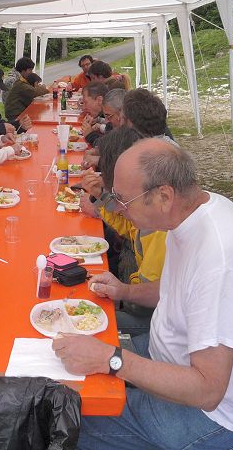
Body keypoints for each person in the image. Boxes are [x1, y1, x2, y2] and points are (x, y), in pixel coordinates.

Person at [53, 139, 233, 449]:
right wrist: (125, 291)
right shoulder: (192, 214)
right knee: (64, 368)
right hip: (169, 357)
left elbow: (207, 390)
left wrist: (111, 359)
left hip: (216, 416)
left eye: (122, 199)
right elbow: (178, 290)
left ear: (164, 196)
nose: (116, 208)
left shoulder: (220, 261)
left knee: (66, 422)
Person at [80, 127, 166, 336]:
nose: (117, 207)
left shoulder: (158, 227)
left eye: (118, 196)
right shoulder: (145, 206)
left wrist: (122, 294)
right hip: (140, 301)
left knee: (87, 323)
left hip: (154, 320)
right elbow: (127, 226)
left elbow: (142, 305)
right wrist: (99, 196)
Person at [3, 57, 49, 121]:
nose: (31, 72)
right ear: (23, 70)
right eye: (30, 70)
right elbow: (35, 92)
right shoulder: (18, 82)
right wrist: (44, 88)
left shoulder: (21, 79)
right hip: (15, 115)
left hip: (19, 111)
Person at [80, 81, 109, 146]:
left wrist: (90, 135)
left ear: (99, 100)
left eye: (86, 102)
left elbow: (109, 146)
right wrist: (97, 120)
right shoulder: (106, 113)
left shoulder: (115, 115)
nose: (83, 108)